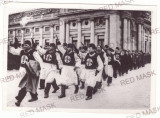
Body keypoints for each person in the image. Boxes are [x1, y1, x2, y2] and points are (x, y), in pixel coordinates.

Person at [9, 40, 43, 107]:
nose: (25, 46)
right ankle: (34, 96)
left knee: (25, 86)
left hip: (30, 71)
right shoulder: (21, 51)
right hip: (23, 70)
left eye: (26, 45)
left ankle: (19, 100)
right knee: (29, 85)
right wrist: (7, 46)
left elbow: (40, 61)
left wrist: (38, 70)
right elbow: (13, 51)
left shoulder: (34, 52)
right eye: (24, 45)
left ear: (30, 45)